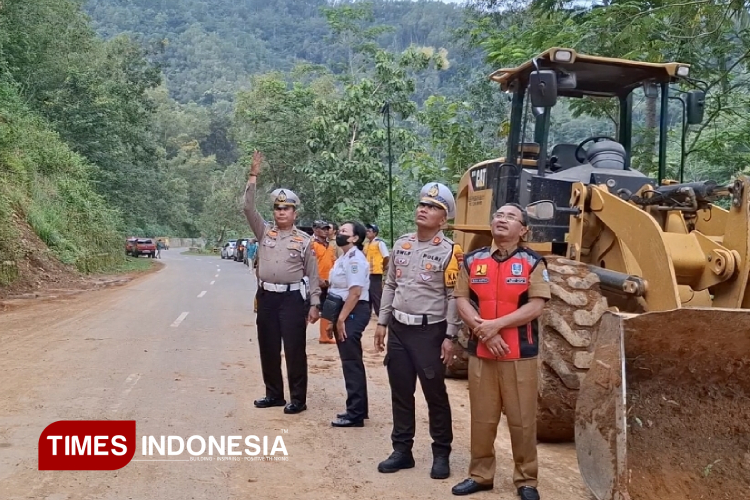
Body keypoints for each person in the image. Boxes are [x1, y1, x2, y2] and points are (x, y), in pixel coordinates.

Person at [450, 203, 550, 500]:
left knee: (522, 420)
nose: (501, 220)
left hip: (519, 354)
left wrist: (495, 326)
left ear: (523, 230)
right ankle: (480, 475)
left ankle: (526, 480)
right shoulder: (472, 260)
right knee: (482, 417)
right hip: (482, 352)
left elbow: (536, 305)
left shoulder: (533, 262)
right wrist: (484, 330)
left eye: (510, 217)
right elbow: (462, 299)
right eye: (498, 215)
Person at [374, 182, 462, 480]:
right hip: (399, 328)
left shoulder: (450, 252)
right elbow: (390, 285)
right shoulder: (401, 244)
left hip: (430, 333)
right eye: (422, 204)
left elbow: (453, 297)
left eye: (434, 207)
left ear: (444, 220)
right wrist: (382, 322)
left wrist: (450, 336)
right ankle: (402, 451)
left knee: (435, 394)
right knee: (401, 392)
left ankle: (441, 452)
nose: (424, 209)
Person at [243, 150, 321, 415]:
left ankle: (298, 398)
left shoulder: (304, 240)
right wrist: (253, 175)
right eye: (277, 207)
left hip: (291, 299)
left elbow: (313, 274)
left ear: (294, 212)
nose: (280, 211)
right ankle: (273, 394)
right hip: (267, 297)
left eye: (286, 207)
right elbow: (247, 207)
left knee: (295, 349)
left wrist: (314, 304)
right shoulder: (264, 231)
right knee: (268, 347)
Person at [326, 221, 371, 428]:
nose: (339, 233)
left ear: (355, 238)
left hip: (353, 310)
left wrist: (342, 319)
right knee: (350, 361)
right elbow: (336, 289)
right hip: (343, 310)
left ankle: (356, 414)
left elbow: (355, 293)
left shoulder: (355, 260)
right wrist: (333, 321)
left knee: (351, 362)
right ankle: (358, 408)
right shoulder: (343, 257)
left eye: (344, 231)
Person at [313, 220, 337, 344]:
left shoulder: (331, 246)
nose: (326, 231)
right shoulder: (312, 245)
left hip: (328, 282)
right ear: (315, 230)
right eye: (323, 229)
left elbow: (333, 263)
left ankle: (324, 336)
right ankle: (296, 335)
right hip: (315, 282)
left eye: (327, 229)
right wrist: (317, 279)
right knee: (310, 308)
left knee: (327, 308)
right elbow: (310, 265)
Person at [363, 224, 389, 318]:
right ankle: (367, 313)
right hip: (367, 273)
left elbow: (386, 256)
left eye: (369, 231)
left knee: (376, 294)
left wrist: (383, 267)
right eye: (367, 231)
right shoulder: (366, 244)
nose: (367, 233)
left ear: (375, 233)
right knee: (367, 293)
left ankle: (380, 314)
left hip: (376, 272)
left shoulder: (379, 243)